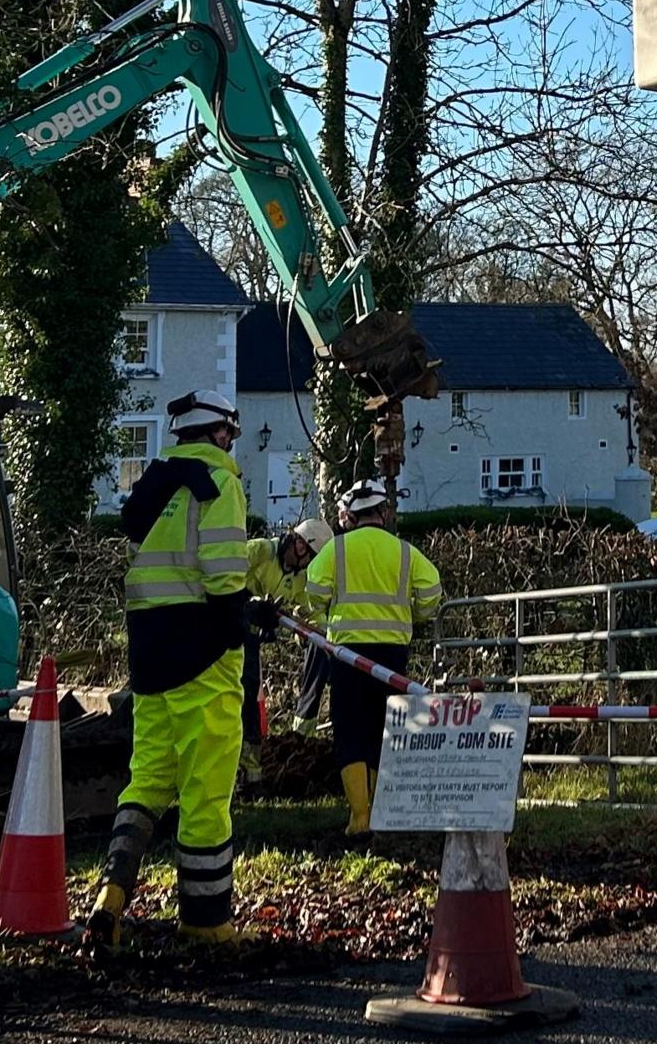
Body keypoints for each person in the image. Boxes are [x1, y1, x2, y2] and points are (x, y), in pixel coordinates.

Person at [91, 390, 274, 947]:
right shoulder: (220, 481)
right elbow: (220, 576)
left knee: (147, 779)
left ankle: (111, 896)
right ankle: (206, 920)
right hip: (205, 657)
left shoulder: (156, 487)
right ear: (221, 433)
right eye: (230, 435)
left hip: (149, 656)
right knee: (205, 792)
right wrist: (244, 617)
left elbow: (165, 570)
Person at [306, 479, 444, 835]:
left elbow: (314, 590)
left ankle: (359, 817)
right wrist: (414, 616)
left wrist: (326, 617)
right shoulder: (405, 552)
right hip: (392, 653)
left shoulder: (335, 550)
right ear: (384, 513)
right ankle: (381, 813)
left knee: (350, 730)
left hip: (349, 654)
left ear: (348, 516)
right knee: (384, 730)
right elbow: (431, 592)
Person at [237, 518, 332, 779]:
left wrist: (329, 635)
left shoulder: (298, 578)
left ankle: (250, 770)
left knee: (248, 700)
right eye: (311, 557)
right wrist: (247, 604)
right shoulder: (260, 550)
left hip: (249, 640)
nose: (310, 565)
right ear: (300, 545)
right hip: (222, 631)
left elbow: (308, 612)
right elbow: (223, 577)